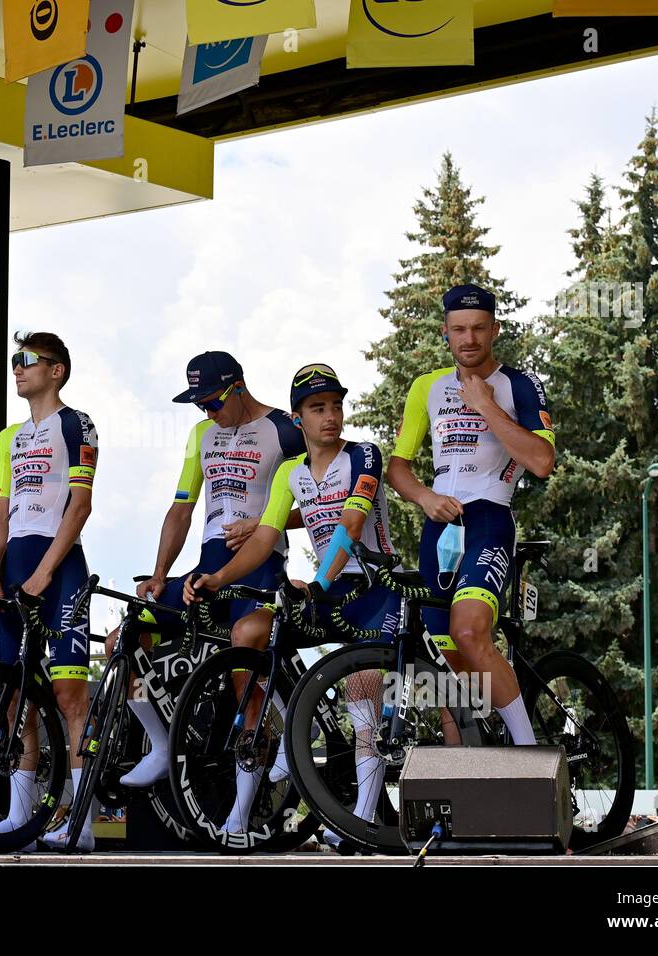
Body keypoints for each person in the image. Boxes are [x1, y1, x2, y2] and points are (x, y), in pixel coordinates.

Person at [185, 363, 402, 833]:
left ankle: (360, 821)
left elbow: (350, 527)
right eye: (317, 408)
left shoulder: (364, 455)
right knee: (261, 639)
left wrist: (318, 584)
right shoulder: (290, 472)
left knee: (361, 692)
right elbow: (263, 539)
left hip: (378, 587)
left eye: (336, 405)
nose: (331, 416)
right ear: (297, 417)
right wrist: (219, 578)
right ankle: (285, 745)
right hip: (332, 588)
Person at [109, 351, 305, 793]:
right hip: (207, 568)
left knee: (242, 660)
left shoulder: (284, 429)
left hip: (259, 566)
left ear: (237, 386)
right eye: (200, 405)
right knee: (124, 637)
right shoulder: (202, 434)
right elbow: (181, 509)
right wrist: (160, 574)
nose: (207, 412)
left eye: (212, 401)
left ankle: (250, 792)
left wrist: (264, 523)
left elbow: (324, 500)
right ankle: (160, 743)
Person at [385, 283, 555, 748]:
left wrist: (486, 406)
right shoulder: (426, 387)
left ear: (494, 330)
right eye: (459, 329)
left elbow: (541, 461)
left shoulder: (519, 384)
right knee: (447, 664)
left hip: (489, 519)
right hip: (438, 526)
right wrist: (422, 496)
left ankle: (528, 750)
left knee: (468, 630)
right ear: (445, 333)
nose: (469, 339)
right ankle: (464, 779)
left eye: (479, 328)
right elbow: (397, 466)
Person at [0, 332, 97, 850]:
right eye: (13, 362)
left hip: (60, 565)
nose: (17, 370)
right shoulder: (8, 437)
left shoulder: (78, 423)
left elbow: (81, 504)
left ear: (57, 370)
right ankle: (20, 817)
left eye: (27, 362)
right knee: (14, 696)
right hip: (15, 565)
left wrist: (46, 571)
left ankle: (83, 822)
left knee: (70, 696)